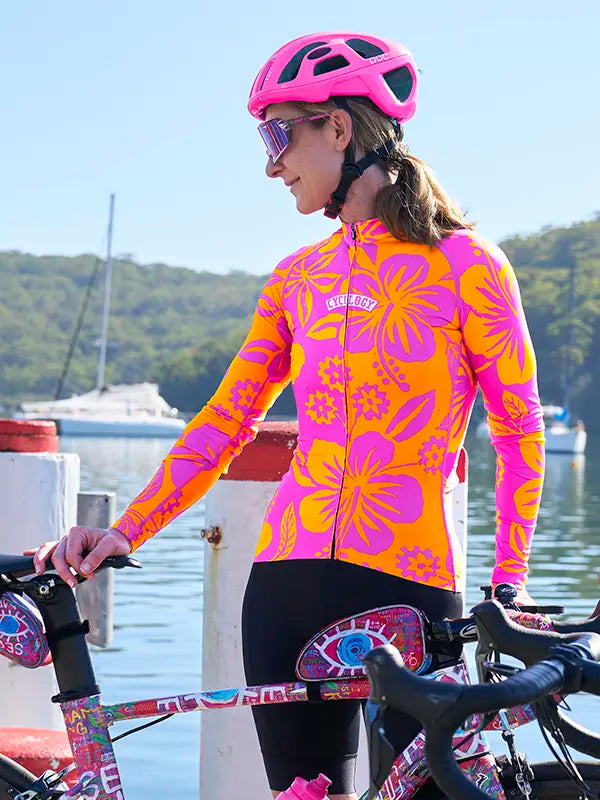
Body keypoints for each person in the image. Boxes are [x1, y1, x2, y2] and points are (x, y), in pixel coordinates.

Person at [33, 32, 545, 800]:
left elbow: (517, 429)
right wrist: (126, 530)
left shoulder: (468, 267)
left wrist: (509, 582)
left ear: (338, 127)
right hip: (284, 590)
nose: (271, 163)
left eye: (279, 135)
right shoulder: (296, 279)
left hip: (406, 588)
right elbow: (225, 421)